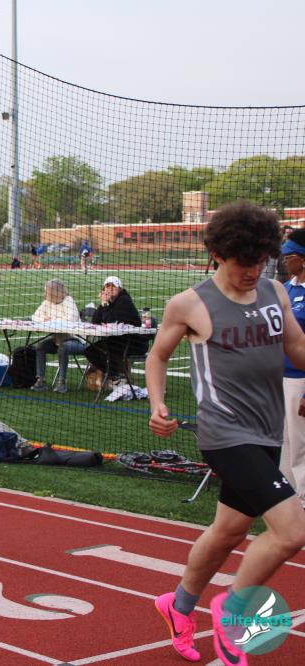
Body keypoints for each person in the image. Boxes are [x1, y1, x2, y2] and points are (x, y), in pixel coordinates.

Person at [147, 202, 305, 666]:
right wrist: (157, 403)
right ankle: (233, 612)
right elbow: (157, 356)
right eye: (243, 263)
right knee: (292, 531)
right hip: (225, 433)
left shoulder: (274, 291)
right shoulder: (190, 304)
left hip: (268, 430)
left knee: (228, 530)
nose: (253, 271)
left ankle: (177, 607)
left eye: (261, 261)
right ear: (217, 254)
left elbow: (296, 345)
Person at [279, 229, 305, 509]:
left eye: (289, 256)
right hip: (281, 377)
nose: (284, 261)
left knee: (301, 442)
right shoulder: (287, 288)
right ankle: (286, 497)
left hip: (301, 379)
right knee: (285, 440)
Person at [83, 275, 147, 384]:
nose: (110, 289)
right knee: (90, 350)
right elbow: (95, 321)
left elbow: (112, 321)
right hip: (118, 341)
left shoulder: (123, 300)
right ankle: (114, 376)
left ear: (120, 289)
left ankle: (115, 376)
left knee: (97, 350)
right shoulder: (110, 302)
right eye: (107, 286)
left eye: (113, 286)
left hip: (134, 343)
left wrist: (105, 306)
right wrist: (103, 304)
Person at [27, 279, 86, 394]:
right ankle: (41, 380)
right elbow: (34, 316)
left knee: (63, 348)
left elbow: (70, 320)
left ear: (54, 292)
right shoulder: (47, 302)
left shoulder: (68, 301)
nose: (45, 294)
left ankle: (62, 382)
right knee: (40, 347)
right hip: (57, 340)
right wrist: (44, 319)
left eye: (47, 291)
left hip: (76, 340)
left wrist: (52, 319)